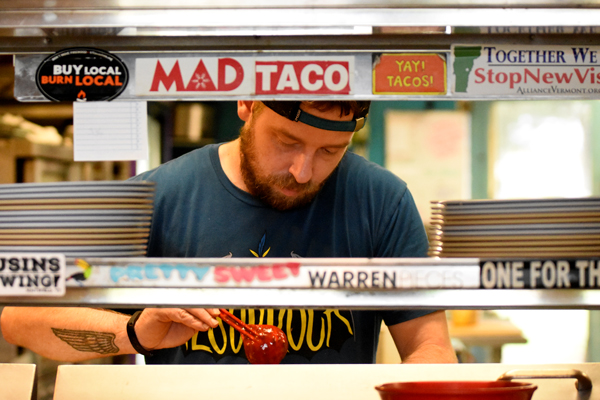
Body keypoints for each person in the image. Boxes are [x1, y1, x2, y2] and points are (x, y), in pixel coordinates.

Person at [0, 100, 457, 364]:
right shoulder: (159, 196)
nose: (303, 172)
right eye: (287, 142)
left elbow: (430, 344)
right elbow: (21, 318)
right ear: (246, 104)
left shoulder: (382, 200)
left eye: (330, 152)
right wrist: (135, 332)